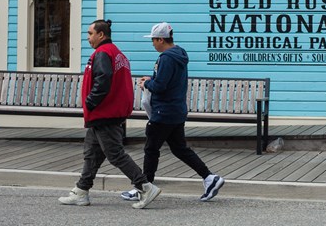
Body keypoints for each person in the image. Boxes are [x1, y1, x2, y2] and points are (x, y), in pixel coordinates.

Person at [59, 19, 161, 209]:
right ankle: (81, 191)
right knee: (91, 153)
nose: (88, 38)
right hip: (108, 112)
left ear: (101, 35)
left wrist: (91, 101)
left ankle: (145, 187)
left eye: (90, 34)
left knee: (115, 154)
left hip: (104, 113)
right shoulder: (116, 53)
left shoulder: (103, 53)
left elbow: (103, 79)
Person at [120, 22, 225, 203]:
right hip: (176, 110)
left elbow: (160, 86)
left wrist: (146, 83)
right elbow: (169, 80)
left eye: (153, 40)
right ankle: (209, 178)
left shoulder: (166, 58)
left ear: (161, 39)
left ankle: (144, 188)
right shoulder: (179, 54)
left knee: (151, 149)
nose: (152, 43)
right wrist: (152, 78)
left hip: (163, 111)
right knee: (179, 149)